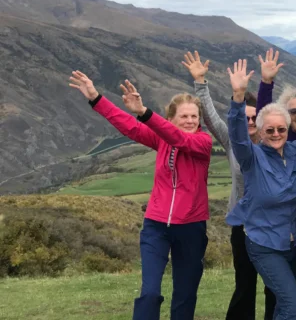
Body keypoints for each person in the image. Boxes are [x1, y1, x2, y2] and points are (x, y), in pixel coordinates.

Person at [69, 70, 212, 320]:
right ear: (171, 118)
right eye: (184, 116)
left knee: (185, 295)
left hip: (191, 227)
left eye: (194, 116)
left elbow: (179, 139)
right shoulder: (162, 140)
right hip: (155, 225)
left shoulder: (203, 143)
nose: (190, 121)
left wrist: (145, 112)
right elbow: (130, 127)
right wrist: (95, 98)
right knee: (149, 293)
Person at [226, 59, 296, 320]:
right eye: (269, 129)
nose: (276, 133)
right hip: (265, 245)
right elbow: (237, 135)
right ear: (260, 131)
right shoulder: (251, 156)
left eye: (282, 128)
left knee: (287, 304)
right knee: (293, 307)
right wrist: (238, 98)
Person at [181, 51, 274, 320]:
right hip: (243, 227)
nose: (249, 123)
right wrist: (200, 82)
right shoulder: (233, 141)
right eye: (243, 119)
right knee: (245, 284)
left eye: (254, 118)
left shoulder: (276, 143)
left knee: (273, 287)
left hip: (272, 226)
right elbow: (208, 116)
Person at [255, 47, 296, 320]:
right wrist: (266, 83)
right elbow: (264, 117)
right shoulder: (279, 140)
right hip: (281, 227)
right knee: (279, 293)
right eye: (293, 111)